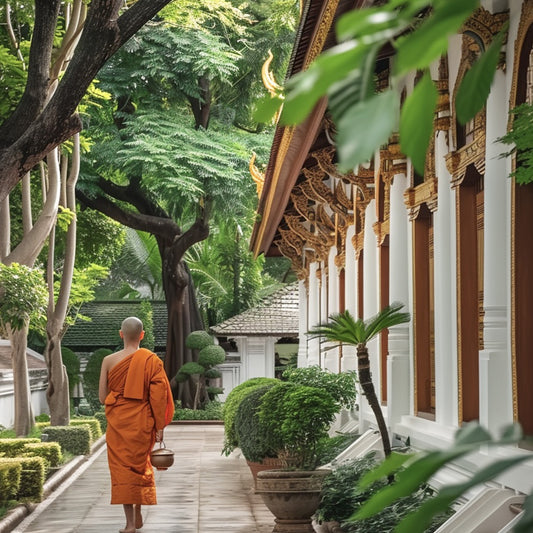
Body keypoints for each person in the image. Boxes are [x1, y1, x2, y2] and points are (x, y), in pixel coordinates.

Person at [99, 317, 174, 533]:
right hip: (142, 422)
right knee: (140, 466)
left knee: (122, 470)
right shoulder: (151, 360)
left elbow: (103, 397)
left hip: (118, 424)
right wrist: (159, 426)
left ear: (121, 334)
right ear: (141, 335)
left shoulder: (108, 360)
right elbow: (158, 397)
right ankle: (139, 508)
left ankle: (130, 523)